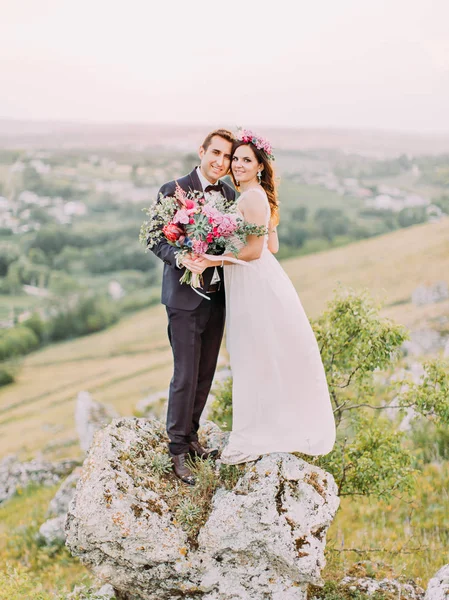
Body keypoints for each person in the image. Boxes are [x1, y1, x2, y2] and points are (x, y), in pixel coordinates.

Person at [195, 130, 336, 464]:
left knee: (249, 356)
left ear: (260, 166)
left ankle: (250, 436)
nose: (238, 165)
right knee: (256, 354)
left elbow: (257, 251)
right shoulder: (257, 196)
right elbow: (273, 246)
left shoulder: (252, 197)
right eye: (236, 159)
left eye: (247, 160)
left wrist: (215, 257)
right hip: (258, 282)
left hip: (254, 285)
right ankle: (265, 428)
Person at [149, 129, 236, 484]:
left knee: (205, 373)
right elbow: (156, 239)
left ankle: (193, 436)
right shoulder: (173, 190)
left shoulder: (229, 194)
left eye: (228, 157)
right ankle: (177, 451)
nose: (221, 161)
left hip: (217, 299)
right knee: (185, 374)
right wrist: (182, 258)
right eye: (215, 153)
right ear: (201, 151)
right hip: (184, 300)